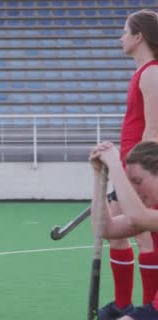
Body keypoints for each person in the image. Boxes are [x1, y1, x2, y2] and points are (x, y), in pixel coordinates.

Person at [97, 9, 158, 319]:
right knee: (119, 233)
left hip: (141, 171)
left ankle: (147, 307)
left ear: (139, 37)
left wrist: (138, 175)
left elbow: (153, 129)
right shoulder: (142, 72)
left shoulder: (152, 73)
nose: (120, 37)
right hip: (131, 169)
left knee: (143, 234)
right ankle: (124, 305)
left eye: (125, 31)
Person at [90, 141, 158, 319]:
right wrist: (100, 176)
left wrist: (115, 165)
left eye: (137, 181)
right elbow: (104, 229)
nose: (133, 191)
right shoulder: (153, 211)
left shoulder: (145, 216)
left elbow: (137, 217)